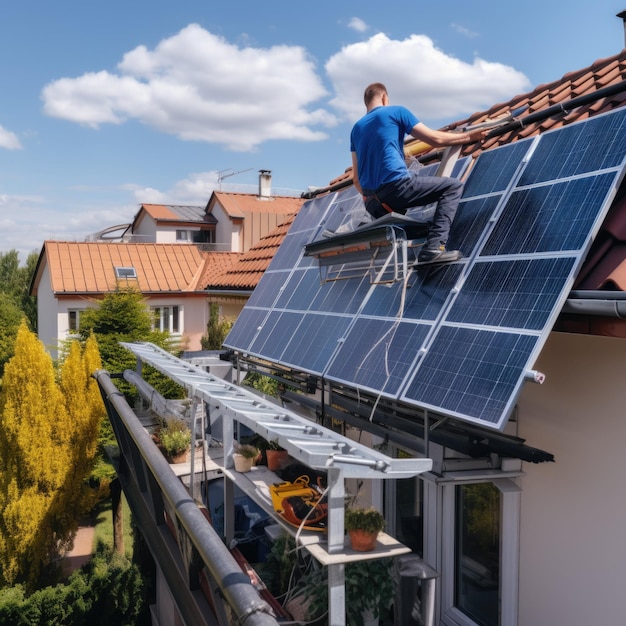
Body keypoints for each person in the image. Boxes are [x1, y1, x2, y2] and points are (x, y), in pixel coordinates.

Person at [350, 82, 487, 263]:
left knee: (412, 225)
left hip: (373, 202)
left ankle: (422, 243)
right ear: (384, 98)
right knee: (452, 187)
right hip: (396, 188)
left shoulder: (356, 129)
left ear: (366, 103)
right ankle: (434, 248)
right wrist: (471, 137)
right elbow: (435, 139)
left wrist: (376, 198)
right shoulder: (396, 111)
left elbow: (356, 180)